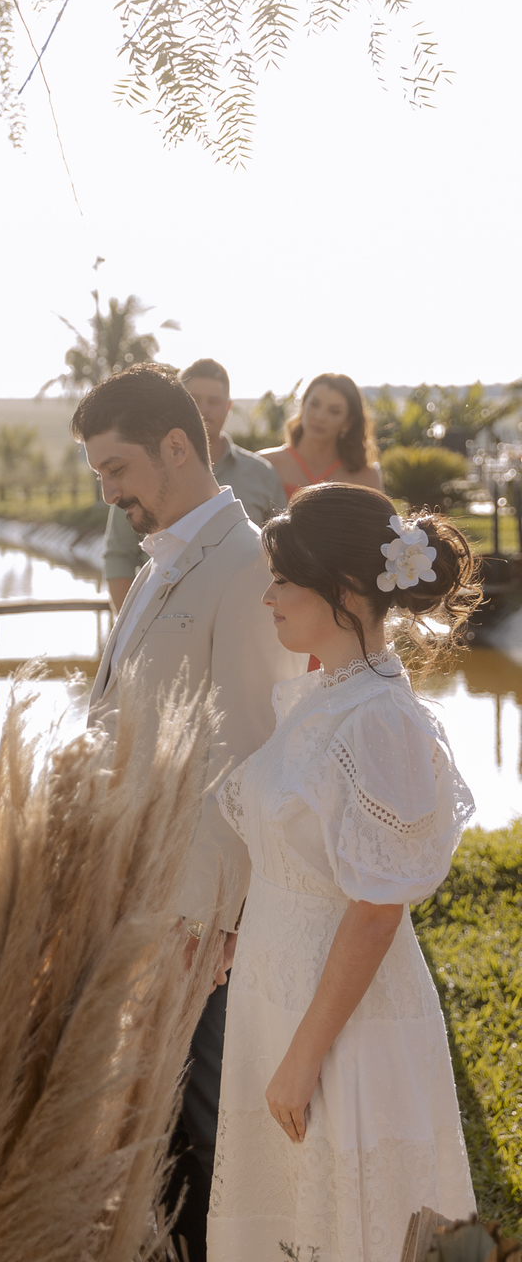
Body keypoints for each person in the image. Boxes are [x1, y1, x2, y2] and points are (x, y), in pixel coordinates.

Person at [209, 483, 479, 1261]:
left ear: (348, 590)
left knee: (345, 1229)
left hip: (340, 1036)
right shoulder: (326, 695)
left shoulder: (380, 721)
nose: (268, 597)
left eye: (284, 580)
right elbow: (301, 855)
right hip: (283, 1000)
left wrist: (301, 1062)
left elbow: (374, 909)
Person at [75, 364, 304, 1262]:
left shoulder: (245, 564)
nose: (109, 492)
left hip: (193, 918)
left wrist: (207, 923)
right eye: (99, 474)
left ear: (179, 447)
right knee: (154, 1119)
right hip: (139, 886)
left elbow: (246, 750)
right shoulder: (164, 556)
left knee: (200, 1126)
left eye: (117, 468)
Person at [102, 358, 287, 613]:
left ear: (228, 407)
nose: (203, 409)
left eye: (214, 401)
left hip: (243, 621)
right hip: (161, 623)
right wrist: (132, 629)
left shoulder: (261, 475)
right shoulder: (143, 473)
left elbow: (283, 556)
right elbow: (118, 556)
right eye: (194, 400)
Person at [262, 372, 382, 501]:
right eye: (314, 404)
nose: (320, 417)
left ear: (348, 422)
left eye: (334, 411)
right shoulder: (265, 464)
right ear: (303, 405)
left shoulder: (366, 477)